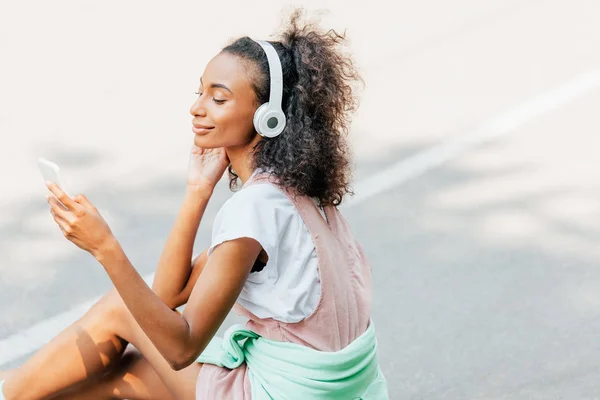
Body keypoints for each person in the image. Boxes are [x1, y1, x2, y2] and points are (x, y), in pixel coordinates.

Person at [0, 9, 388, 399]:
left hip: (283, 392)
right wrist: (197, 192)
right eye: (199, 92)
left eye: (218, 98)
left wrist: (105, 248)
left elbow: (181, 349)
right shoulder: (299, 190)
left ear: (268, 117)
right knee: (124, 381)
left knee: (119, 312)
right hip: (334, 388)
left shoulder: (256, 209)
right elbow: (169, 295)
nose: (197, 107)